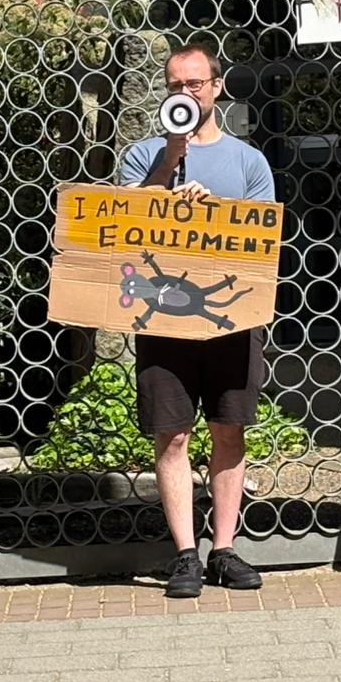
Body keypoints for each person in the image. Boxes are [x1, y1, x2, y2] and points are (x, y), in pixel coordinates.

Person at [120, 44, 276, 598]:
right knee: (173, 433)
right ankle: (185, 553)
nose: (184, 93)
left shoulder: (247, 162)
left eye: (194, 83)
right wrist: (169, 161)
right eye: (174, 85)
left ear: (215, 87)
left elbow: (261, 241)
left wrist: (214, 212)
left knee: (228, 429)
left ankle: (224, 549)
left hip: (230, 320)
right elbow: (121, 222)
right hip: (163, 321)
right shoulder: (143, 156)